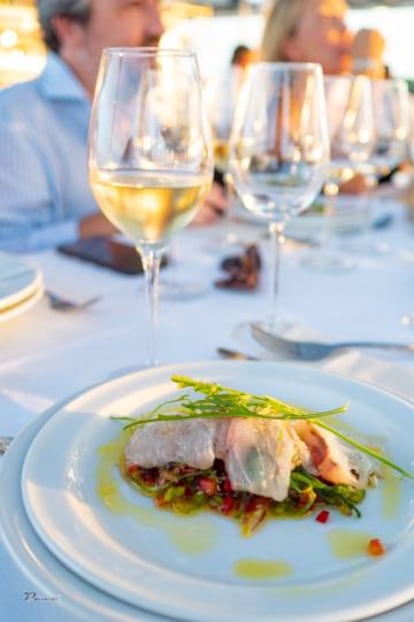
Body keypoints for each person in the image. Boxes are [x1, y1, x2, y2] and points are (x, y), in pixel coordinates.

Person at [0, 0, 226, 252]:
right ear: (69, 29)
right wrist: (139, 214)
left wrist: (183, 200)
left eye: (158, 7)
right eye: (134, 6)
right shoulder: (12, 118)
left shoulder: (140, 104)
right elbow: (9, 248)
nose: (158, 25)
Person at [260, 0, 385, 79]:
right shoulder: (271, 114)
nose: (344, 27)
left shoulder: (341, 98)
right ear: (290, 44)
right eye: (328, 17)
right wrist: (367, 70)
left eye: (342, 17)